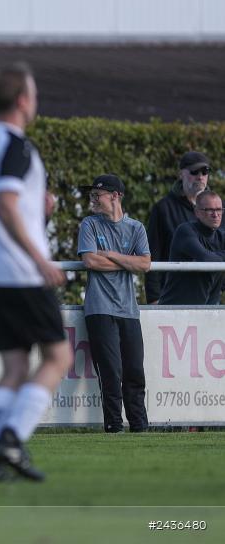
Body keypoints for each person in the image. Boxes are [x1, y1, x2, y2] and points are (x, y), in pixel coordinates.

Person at [0, 62, 72, 482]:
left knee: (14, 367)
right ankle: (13, 436)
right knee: (58, 356)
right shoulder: (17, 145)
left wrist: (32, 207)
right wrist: (40, 258)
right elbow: (6, 204)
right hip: (19, 271)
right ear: (24, 100)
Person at [78, 175, 151, 433]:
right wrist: (125, 260)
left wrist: (110, 254)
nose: (93, 200)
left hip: (129, 311)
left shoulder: (136, 228)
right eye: (92, 196)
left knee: (134, 371)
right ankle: (114, 425)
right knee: (110, 372)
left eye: (98, 195)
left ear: (116, 196)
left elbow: (145, 264)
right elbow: (90, 262)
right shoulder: (89, 224)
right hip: (99, 309)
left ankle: (140, 426)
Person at [146, 151, 211, 303]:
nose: (200, 176)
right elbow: (152, 253)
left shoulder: (219, 208)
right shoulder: (163, 208)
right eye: (194, 171)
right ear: (181, 174)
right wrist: (154, 298)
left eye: (205, 171)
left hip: (209, 296)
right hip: (171, 294)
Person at [158, 190, 225, 305]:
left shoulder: (222, 236)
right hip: (174, 310)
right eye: (209, 210)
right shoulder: (185, 231)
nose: (215, 214)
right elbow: (206, 259)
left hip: (209, 312)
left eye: (219, 209)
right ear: (197, 212)